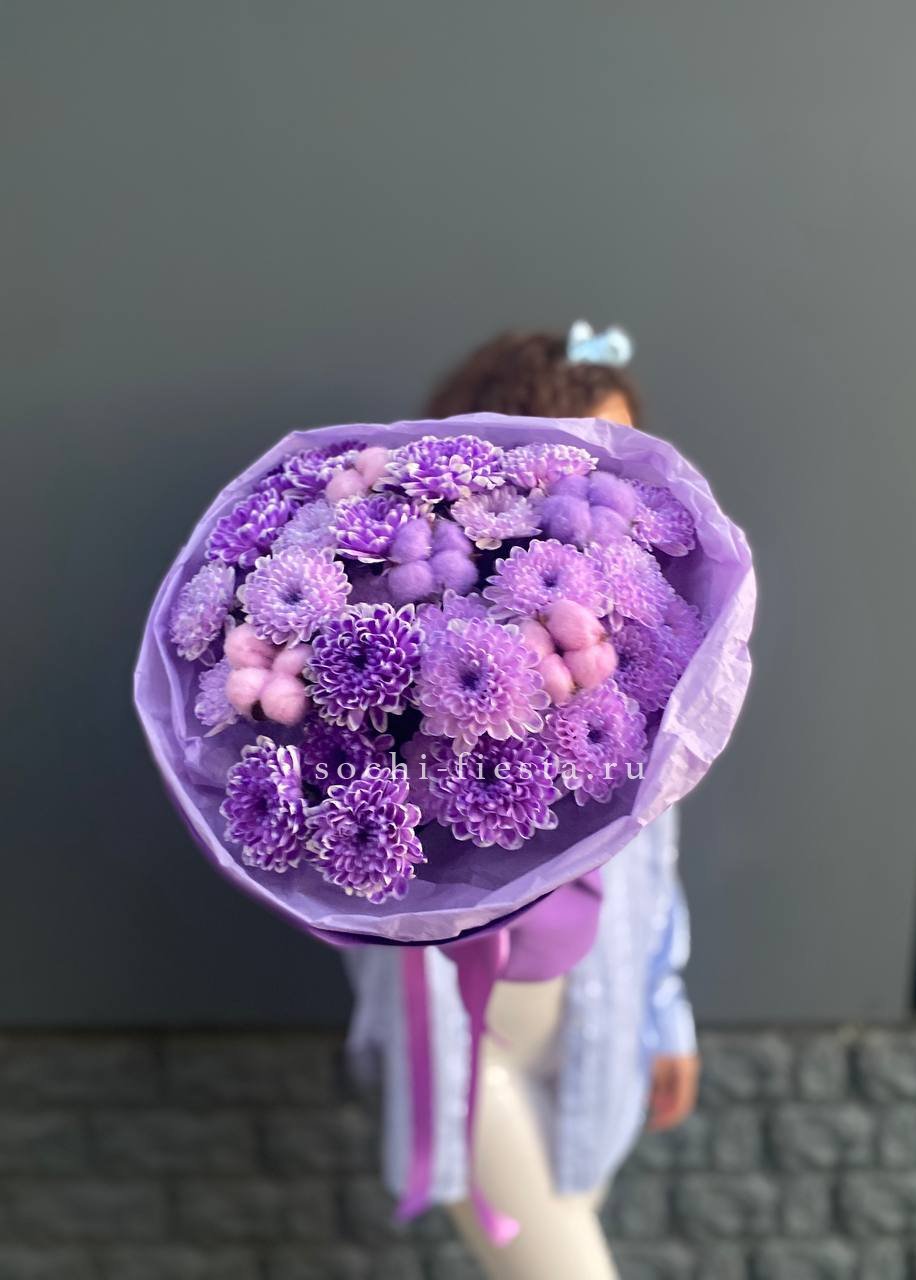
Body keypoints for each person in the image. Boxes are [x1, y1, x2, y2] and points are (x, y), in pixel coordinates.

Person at [345, 324, 699, 1279]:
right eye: (589, 451)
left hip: (597, 1023)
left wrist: (664, 1012)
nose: (616, 483)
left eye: (631, 453)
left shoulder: (643, 632)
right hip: (478, 1038)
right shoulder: (404, 630)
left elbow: (657, 852)